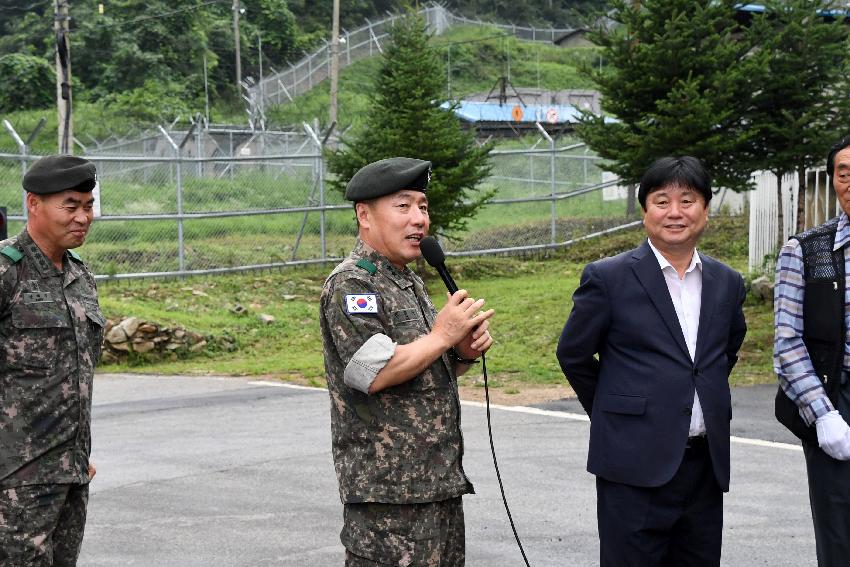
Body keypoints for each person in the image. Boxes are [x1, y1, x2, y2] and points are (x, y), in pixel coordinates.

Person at [556, 156, 747, 567]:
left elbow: (725, 349)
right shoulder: (608, 278)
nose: (675, 212)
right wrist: (617, 412)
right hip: (632, 467)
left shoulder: (727, 282)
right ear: (645, 211)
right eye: (662, 201)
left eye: (687, 200)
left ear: (706, 210)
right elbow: (573, 353)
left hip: (704, 468)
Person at [320, 157, 494, 566]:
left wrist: (460, 354)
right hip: (389, 497)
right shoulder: (353, 283)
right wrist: (442, 336)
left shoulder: (407, 279)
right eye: (404, 207)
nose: (419, 220)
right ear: (365, 215)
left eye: (423, 207)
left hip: (437, 483)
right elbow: (372, 372)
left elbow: (423, 367)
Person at [0, 155, 105, 566]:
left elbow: (75, 376)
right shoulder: (7, 272)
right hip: (13, 478)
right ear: (33, 204)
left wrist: (75, 454)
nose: (83, 217)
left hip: (70, 473)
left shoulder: (80, 277)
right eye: (71, 205)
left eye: (88, 205)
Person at [774, 134, 850, 566]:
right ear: (833, 181)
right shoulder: (804, 251)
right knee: (839, 534)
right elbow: (787, 342)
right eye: (844, 173)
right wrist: (824, 415)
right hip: (836, 398)